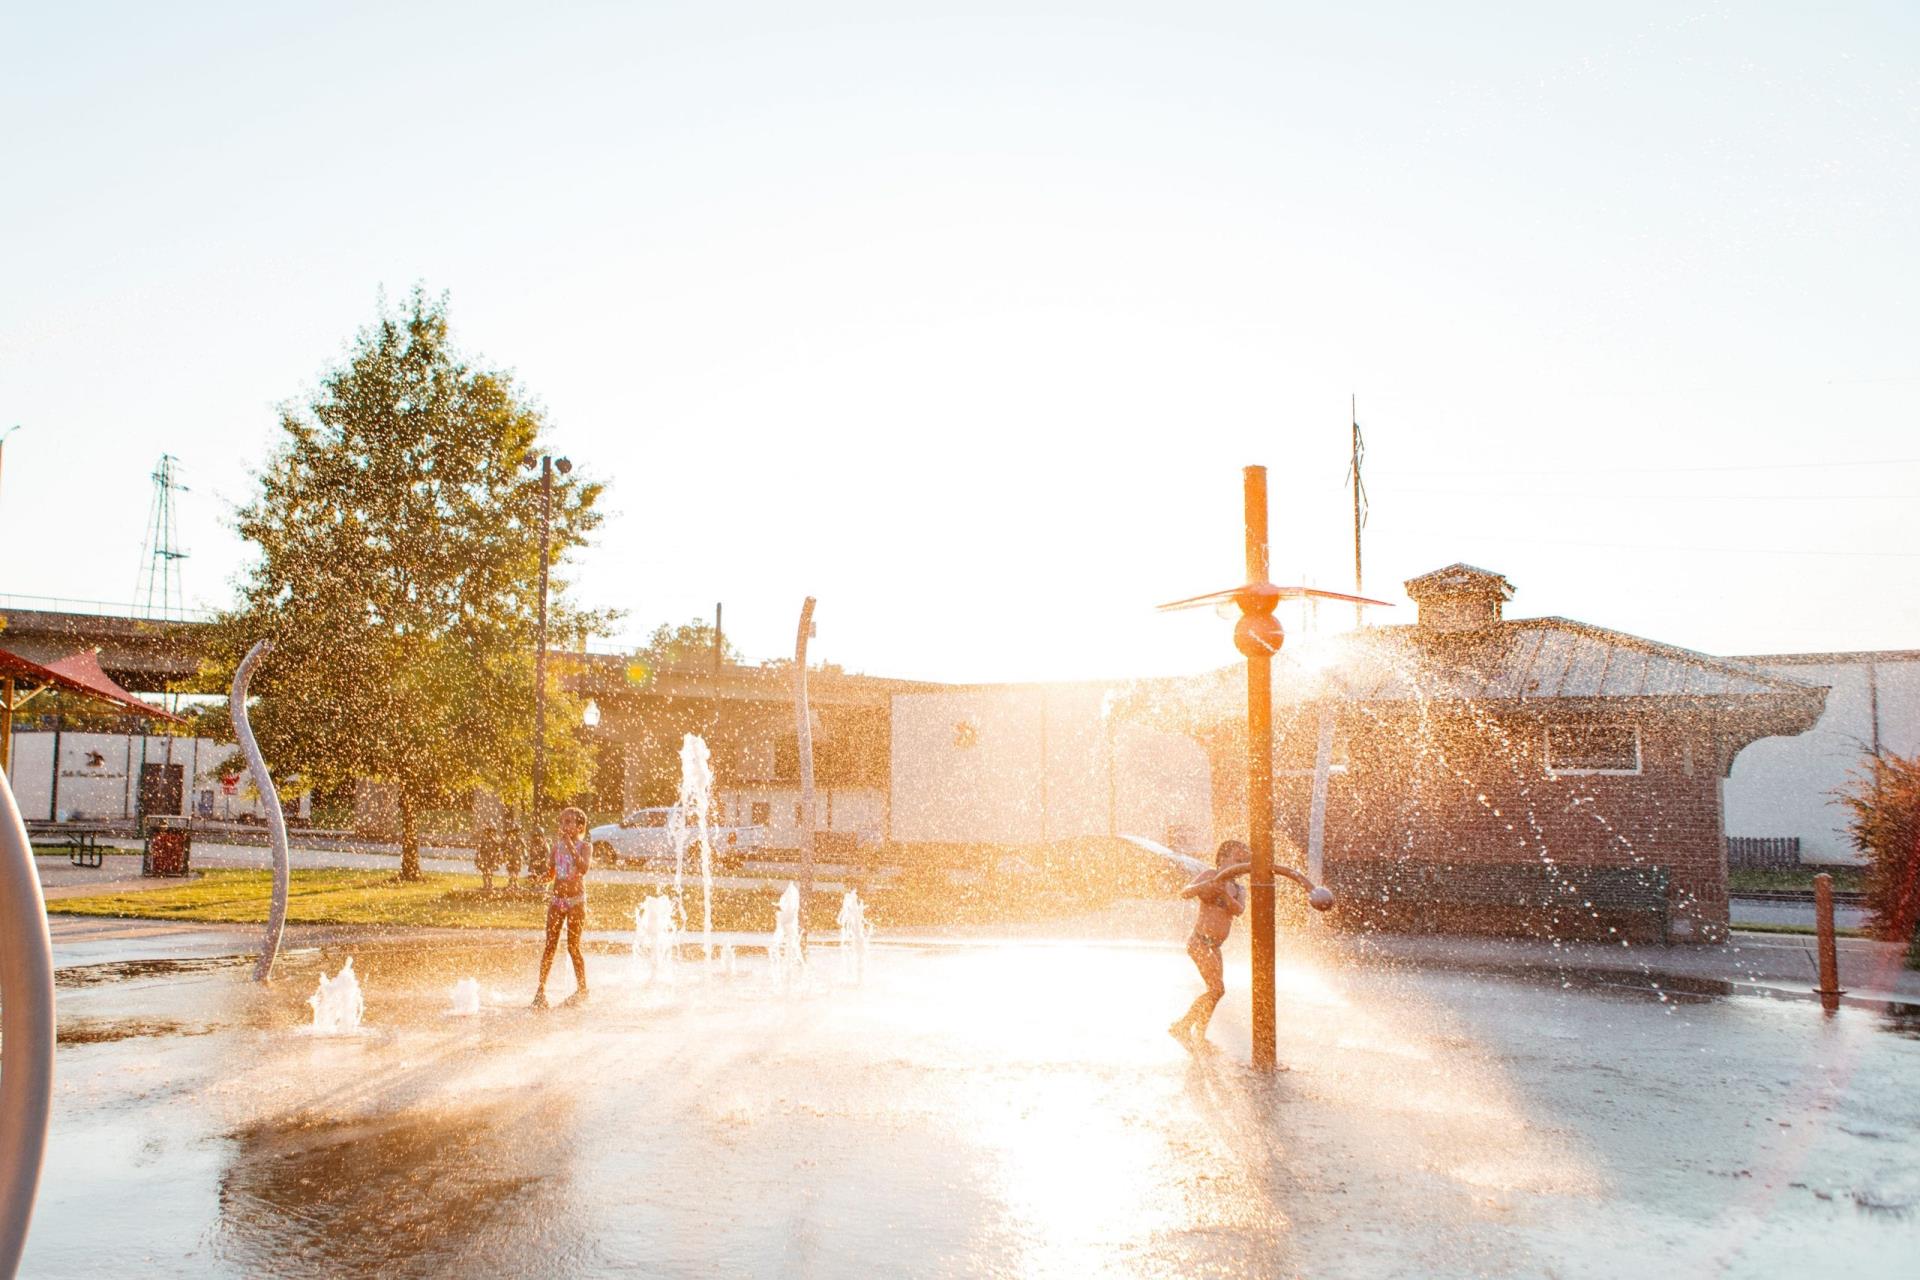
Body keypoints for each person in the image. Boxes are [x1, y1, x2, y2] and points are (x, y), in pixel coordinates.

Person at [1170, 839, 1254, 1049]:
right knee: (1217, 989)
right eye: (1238, 859)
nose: (1241, 865)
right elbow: (1185, 892)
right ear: (1223, 859)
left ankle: (1199, 1031)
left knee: (1216, 990)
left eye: (1244, 861)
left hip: (1215, 947)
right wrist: (1205, 886)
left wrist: (1224, 894)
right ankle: (1184, 1025)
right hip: (1200, 942)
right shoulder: (1209, 875)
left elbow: (1239, 910)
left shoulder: (1237, 889)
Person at [533, 807, 592, 1009]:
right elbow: (551, 873)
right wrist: (539, 879)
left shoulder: (585, 846)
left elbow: (583, 868)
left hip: (576, 902)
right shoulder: (556, 847)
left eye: (568, 822)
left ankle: (582, 989)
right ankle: (540, 991)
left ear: (580, 826)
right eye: (562, 822)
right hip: (557, 901)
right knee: (550, 945)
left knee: (573, 947)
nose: (564, 826)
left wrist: (569, 844)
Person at [501, 807, 527, 891]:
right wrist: (504, 854)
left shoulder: (520, 840)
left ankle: (514, 883)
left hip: (517, 857)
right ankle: (511, 884)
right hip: (510, 857)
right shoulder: (508, 840)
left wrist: (525, 855)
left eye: (516, 832)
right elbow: (503, 847)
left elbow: (524, 848)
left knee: (516, 871)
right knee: (511, 871)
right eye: (513, 832)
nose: (515, 833)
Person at [474, 820, 502, 892]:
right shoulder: (484, 839)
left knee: (490, 871)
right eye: (488, 831)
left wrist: (498, 855)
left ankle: (490, 883)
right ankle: (485, 884)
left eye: (491, 831)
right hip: (485, 857)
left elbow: (498, 846)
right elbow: (479, 848)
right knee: (485, 871)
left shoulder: (495, 839)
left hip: (492, 857)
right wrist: (478, 856)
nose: (490, 833)